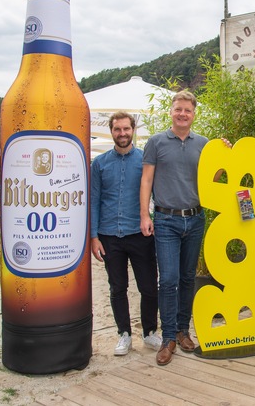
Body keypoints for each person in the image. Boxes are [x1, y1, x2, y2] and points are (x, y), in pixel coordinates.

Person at [140, 90, 208, 366]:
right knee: (168, 279)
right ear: (171, 111)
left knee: (188, 278)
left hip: (195, 218)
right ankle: (168, 337)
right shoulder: (156, 142)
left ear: (193, 114)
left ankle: (183, 331)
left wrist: (226, 150)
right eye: (178, 109)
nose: (182, 114)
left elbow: (218, 174)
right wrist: (145, 215)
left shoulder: (204, 143)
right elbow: (146, 181)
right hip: (166, 220)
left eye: (187, 110)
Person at [91, 111, 161, 356]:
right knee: (117, 288)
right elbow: (94, 200)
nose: (122, 133)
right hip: (109, 235)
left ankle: (150, 332)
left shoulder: (145, 161)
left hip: (140, 234)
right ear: (111, 131)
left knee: (149, 287)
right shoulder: (99, 164)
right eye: (117, 129)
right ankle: (124, 334)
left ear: (134, 130)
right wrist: (93, 237)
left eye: (126, 129)